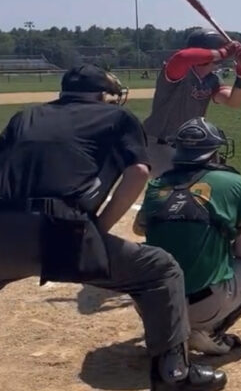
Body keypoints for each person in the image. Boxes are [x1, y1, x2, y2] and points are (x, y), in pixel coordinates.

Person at [0, 65, 227, 391]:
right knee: (160, 271)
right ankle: (173, 374)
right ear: (101, 94)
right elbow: (137, 172)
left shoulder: (25, 117)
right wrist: (98, 228)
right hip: (62, 233)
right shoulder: (117, 119)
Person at [134, 117, 241, 356]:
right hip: (204, 306)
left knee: (150, 252)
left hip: (154, 307)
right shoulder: (231, 181)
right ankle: (211, 331)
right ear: (212, 152)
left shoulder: (156, 185)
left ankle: (169, 327)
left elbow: (140, 229)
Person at [142, 28, 241, 177]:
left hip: (188, 146)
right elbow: (182, 57)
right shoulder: (180, 71)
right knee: (181, 185)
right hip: (158, 144)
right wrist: (223, 52)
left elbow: (234, 102)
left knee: (211, 182)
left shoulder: (212, 79)